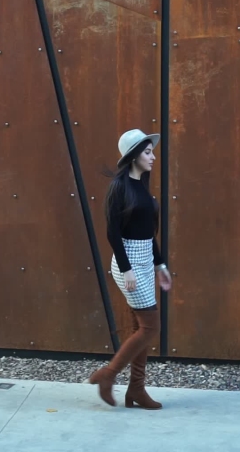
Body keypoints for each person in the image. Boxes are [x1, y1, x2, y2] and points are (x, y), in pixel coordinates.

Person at [88, 128, 172, 409]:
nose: (153, 156)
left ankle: (136, 389)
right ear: (134, 155)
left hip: (145, 262)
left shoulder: (142, 187)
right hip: (129, 265)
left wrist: (159, 264)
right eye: (148, 152)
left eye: (152, 151)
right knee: (151, 327)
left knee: (141, 328)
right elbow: (113, 233)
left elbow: (149, 233)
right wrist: (127, 269)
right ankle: (107, 375)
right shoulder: (120, 187)